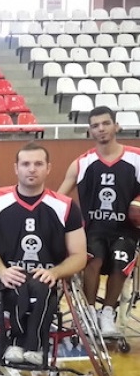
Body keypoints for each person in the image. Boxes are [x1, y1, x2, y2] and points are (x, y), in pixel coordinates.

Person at [0, 143, 86, 366]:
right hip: (10, 276)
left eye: (38, 164)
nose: (32, 169)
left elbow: (79, 255)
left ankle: (34, 345)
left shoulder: (66, 206)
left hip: (47, 278)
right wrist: (2, 271)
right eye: (26, 164)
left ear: (48, 168)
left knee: (42, 287)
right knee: (18, 284)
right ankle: (17, 341)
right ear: (16, 168)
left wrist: (55, 272)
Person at [58, 106, 140, 336]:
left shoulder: (136, 159)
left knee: (120, 260)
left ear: (116, 126)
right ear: (90, 131)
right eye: (95, 125)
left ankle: (107, 313)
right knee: (93, 259)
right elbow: (58, 200)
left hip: (126, 231)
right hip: (92, 230)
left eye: (105, 123)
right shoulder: (81, 163)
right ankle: (89, 312)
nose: (101, 129)